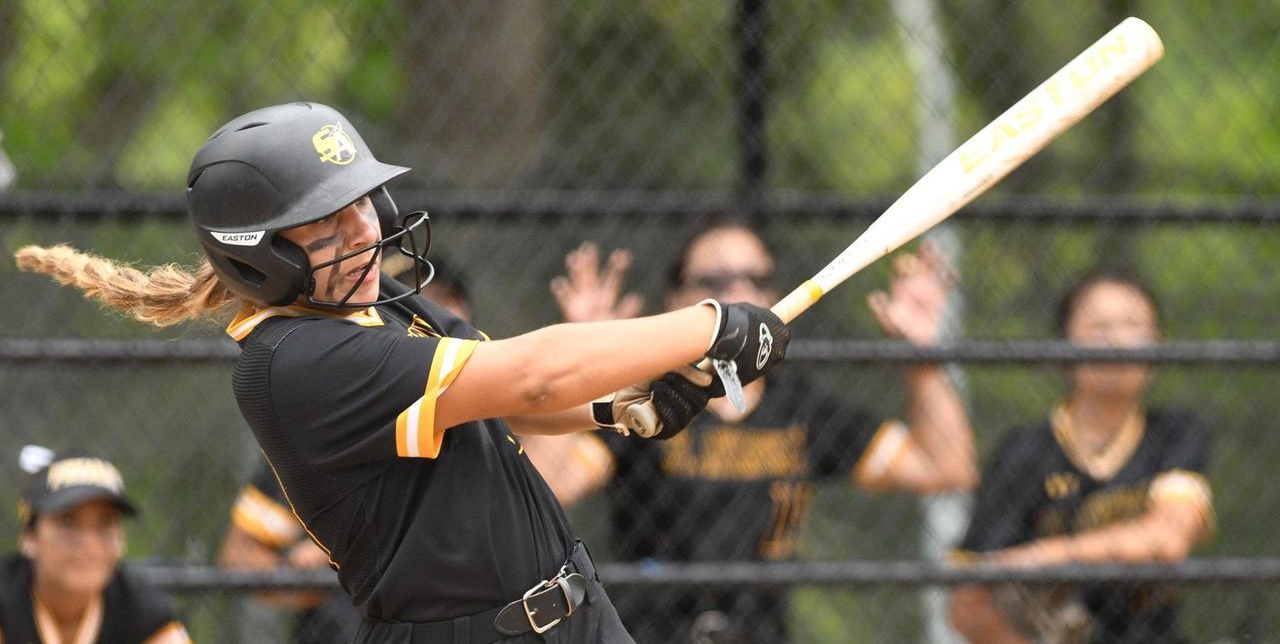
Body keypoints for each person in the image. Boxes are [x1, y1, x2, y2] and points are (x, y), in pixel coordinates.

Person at [14, 101, 791, 644]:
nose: (366, 228)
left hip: (578, 612)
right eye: (326, 220)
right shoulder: (295, 361)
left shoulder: (371, 298)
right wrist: (711, 324)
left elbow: (507, 403)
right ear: (259, 251)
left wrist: (625, 409)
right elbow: (532, 378)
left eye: (360, 201)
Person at [526, 222, 978, 644]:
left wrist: (923, 361)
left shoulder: (801, 409)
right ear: (674, 299)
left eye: (755, 280)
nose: (739, 294)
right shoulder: (645, 402)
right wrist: (581, 359)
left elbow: (945, 467)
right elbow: (551, 483)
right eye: (716, 284)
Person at [947, 270, 1214, 644]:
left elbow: (1168, 539)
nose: (1118, 341)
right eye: (1099, 327)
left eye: (1134, 326)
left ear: (1158, 345)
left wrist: (1047, 557)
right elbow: (967, 604)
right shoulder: (1024, 452)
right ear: (1064, 345)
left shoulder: (1174, 433)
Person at [218, 255, 474, 644]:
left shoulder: (487, 415)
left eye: (445, 299)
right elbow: (240, 558)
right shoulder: (330, 421)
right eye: (416, 299)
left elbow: (558, 474)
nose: (431, 313)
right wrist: (322, 565)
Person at [0, 446, 192, 644]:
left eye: (105, 523)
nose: (89, 543)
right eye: (68, 522)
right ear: (29, 537)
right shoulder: (5, 600)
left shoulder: (143, 611)